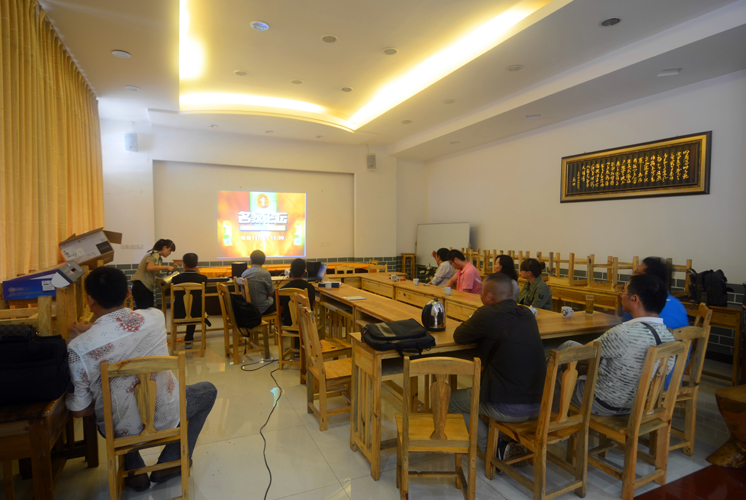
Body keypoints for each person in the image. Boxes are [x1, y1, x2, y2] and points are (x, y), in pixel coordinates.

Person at [65, 267, 217, 491]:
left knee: (117, 407)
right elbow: (123, 331)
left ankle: (135, 471)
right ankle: (171, 462)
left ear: (89, 300)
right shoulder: (155, 318)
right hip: (167, 415)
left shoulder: (78, 348)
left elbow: (79, 411)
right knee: (208, 390)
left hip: (118, 430)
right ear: (128, 293)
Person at [448, 273, 546, 456]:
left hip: (508, 407)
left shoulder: (487, 313)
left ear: (488, 296)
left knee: (450, 401)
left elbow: (459, 335)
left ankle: (494, 450)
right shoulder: (527, 314)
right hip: (540, 404)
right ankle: (506, 441)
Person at [557, 274, 676, 416]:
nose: (621, 296)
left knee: (557, 366)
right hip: (638, 406)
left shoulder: (623, 333)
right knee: (571, 347)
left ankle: (549, 417)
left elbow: (584, 353)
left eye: (623, 292)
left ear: (634, 299)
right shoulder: (669, 338)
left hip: (603, 403)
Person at [621, 256, 690, 388]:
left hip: (642, 387)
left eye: (637, 274)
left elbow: (620, 340)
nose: (633, 277)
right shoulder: (678, 305)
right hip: (672, 382)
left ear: (649, 281)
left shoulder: (639, 306)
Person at [171, 252, 209, 349]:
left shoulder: (175, 279)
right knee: (194, 305)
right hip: (197, 313)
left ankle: (182, 339)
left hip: (179, 312)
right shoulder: (203, 279)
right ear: (197, 264)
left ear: (183, 264)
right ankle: (189, 339)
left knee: (187, 306)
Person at [131, 239, 176, 310]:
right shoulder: (154, 254)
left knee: (149, 310)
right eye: (170, 250)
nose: (169, 253)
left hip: (145, 286)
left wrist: (158, 279)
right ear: (164, 247)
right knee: (145, 311)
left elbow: (149, 272)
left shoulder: (157, 256)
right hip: (141, 286)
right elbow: (150, 267)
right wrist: (167, 267)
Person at [280, 258, 317, 326]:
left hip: (288, 325)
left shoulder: (282, 290)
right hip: (306, 326)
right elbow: (312, 303)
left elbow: (280, 309)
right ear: (304, 273)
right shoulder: (310, 288)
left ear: (290, 272)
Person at [241, 249, 276, 314]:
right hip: (261, 308)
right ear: (263, 261)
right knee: (278, 298)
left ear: (251, 261)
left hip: (247, 307)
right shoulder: (265, 273)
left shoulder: (244, 273)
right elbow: (271, 293)